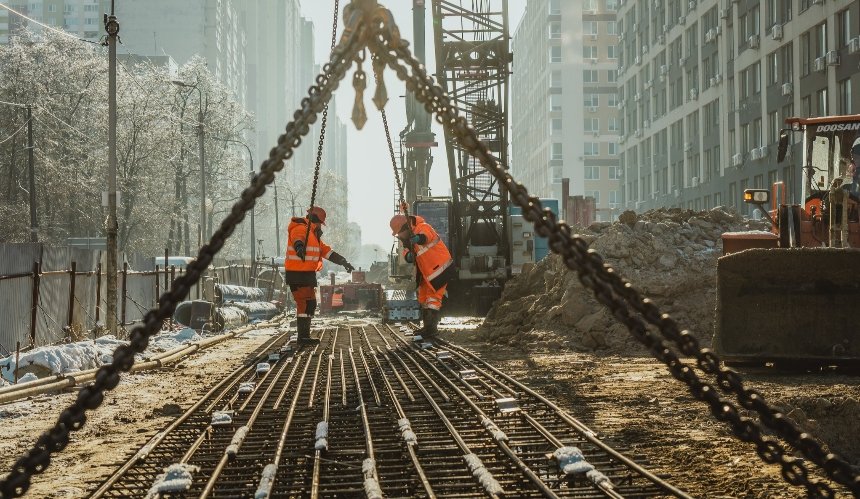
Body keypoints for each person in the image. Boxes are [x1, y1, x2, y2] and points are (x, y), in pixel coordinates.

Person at [285, 206, 354, 345]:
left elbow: (327, 252)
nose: (320, 226)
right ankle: (303, 337)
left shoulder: (313, 236)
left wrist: (343, 261)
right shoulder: (300, 228)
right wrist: (299, 248)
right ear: (315, 220)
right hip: (298, 273)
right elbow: (297, 238)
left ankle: (305, 335)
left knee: (311, 304)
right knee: (304, 304)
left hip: (307, 273)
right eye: (320, 223)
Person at [389, 214, 455, 338]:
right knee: (423, 299)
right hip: (427, 273)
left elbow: (426, 237)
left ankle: (431, 330)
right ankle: (427, 328)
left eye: (399, 233)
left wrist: (418, 238)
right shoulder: (408, 239)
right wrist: (408, 255)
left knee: (433, 300)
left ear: (405, 228)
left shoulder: (423, 227)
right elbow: (406, 252)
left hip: (440, 270)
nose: (399, 236)